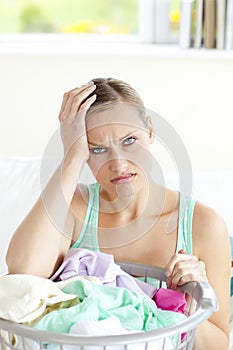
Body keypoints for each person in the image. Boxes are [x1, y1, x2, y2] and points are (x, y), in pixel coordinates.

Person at [6, 78, 231, 349]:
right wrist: (72, 157)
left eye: (129, 140)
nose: (119, 164)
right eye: (97, 149)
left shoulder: (203, 225)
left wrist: (187, 303)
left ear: (149, 130)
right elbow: (23, 271)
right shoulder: (74, 207)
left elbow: (219, 344)